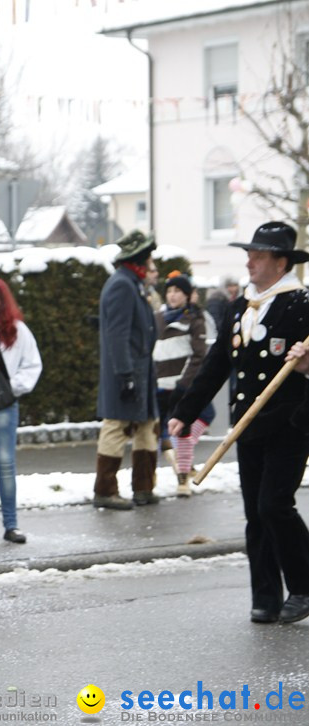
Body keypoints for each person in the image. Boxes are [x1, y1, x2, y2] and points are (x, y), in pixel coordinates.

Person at [171, 221, 309, 625]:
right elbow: (216, 366)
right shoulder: (238, 307)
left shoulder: (302, 304)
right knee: (255, 513)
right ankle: (265, 596)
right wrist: (185, 410)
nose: (249, 260)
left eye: (259, 254)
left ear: (281, 262)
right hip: (247, 424)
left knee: (274, 504)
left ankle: (303, 584)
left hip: (291, 422)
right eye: (249, 253)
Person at [92, 230, 160, 510]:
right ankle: (105, 491)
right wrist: (125, 376)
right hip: (128, 371)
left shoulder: (132, 283)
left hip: (140, 371)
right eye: (149, 257)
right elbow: (117, 335)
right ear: (140, 259)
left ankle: (144, 488)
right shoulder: (122, 285)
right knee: (116, 425)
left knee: (146, 426)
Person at [0, 276, 43, 549]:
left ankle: (11, 525)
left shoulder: (17, 330)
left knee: (5, 464)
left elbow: (32, 365)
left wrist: (10, 389)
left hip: (4, 403)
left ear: (1, 299)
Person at [153, 271, 212, 497]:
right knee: (158, 432)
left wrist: (184, 383)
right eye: (169, 291)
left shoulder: (195, 319)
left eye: (178, 291)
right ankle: (171, 460)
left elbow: (199, 355)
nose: (173, 295)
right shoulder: (158, 318)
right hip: (159, 384)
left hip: (182, 385)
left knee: (186, 429)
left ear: (187, 295)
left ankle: (183, 478)